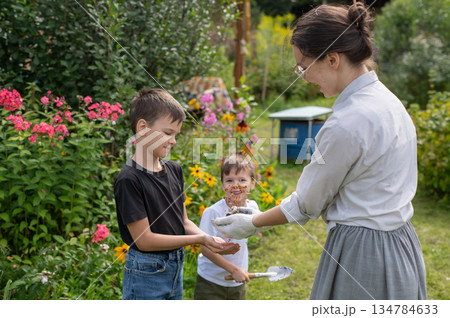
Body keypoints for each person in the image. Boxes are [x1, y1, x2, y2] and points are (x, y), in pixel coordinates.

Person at [212, 2, 427, 300]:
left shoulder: (346, 123)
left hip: (363, 252)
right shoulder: (390, 102)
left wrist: (251, 222)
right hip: (400, 244)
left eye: (304, 67)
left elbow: (307, 204)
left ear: (333, 59)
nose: (304, 77)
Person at [114, 88, 239, 300]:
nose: (173, 141)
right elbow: (144, 241)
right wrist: (198, 239)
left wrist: (208, 238)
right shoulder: (129, 179)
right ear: (143, 128)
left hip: (175, 267)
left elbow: (182, 221)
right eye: (168, 133)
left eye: (176, 135)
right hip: (146, 272)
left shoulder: (174, 169)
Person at [194, 153, 260, 300]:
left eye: (242, 180)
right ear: (223, 184)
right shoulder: (213, 212)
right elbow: (205, 249)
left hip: (237, 280)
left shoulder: (253, 208)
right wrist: (234, 269)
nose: (235, 186)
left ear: (252, 183)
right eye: (229, 180)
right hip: (211, 281)